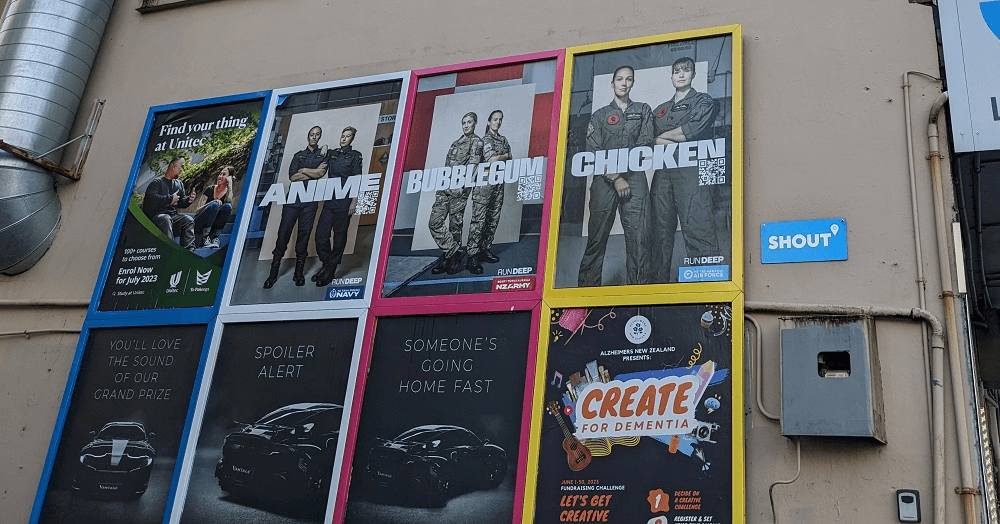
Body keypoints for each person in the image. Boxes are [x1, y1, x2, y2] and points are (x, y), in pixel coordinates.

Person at [577, 65, 654, 287]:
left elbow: (645, 142)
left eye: (628, 79)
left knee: (640, 241)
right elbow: (594, 150)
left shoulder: (643, 110)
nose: (624, 83)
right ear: (612, 83)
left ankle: (639, 298)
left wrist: (625, 175)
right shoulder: (599, 115)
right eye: (619, 79)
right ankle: (585, 297)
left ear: (632, 83)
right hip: (604, 182)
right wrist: (616, 177)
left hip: (635, 180)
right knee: (596, 240)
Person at [649, 57, 720, 283]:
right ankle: (655, 290)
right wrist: (661, 139)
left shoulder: (703, 101)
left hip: (692, 171)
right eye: (676, 71)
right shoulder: (660, 110)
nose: (681, 74)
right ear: (671, 76)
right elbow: (646, 139)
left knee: (698, 226)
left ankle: (706, 288)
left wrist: (661, 137)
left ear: (693, 75)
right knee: (658, 234)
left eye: (686, 70)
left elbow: (692, 130)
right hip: (663, 172)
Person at [263, 126, 328, 289]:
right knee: (283, 235)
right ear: (308, 136)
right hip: (292, 201)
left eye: (317, 135)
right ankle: (272, 275)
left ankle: (298, 274)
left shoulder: (323, 155)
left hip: (310, 202)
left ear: (320, 137)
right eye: (311, 134)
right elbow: (293, 176)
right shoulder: (298, 155)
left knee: (303, 237)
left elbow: (321, 174)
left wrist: (304, 170)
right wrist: (312, 172)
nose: (314, 137)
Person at [428, 112, 483, 275]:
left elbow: (474, 166)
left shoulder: (477, 142)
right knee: (434, 222)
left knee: (455, 225)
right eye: (464, 122)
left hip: (459, 188)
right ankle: (454, 251)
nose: (466, 125)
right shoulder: (455, 143)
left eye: (469, 122)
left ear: (475, 124)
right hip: (445, 187)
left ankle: (450, 260)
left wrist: (463, 186)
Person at [312, 126, 362, 287]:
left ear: (352, 139)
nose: (343, 138)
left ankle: (331, 269)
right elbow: (320, 163)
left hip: (344, 201)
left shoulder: (355, 156)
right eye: (342, 135)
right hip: (330, 200)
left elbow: (357, 180)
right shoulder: (333, 153)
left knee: (339, 235)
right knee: (321, 235)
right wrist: (324, 147)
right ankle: (327, 263)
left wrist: (354, 202)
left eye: (347, 136)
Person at [466, 110, 511, 274]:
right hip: (483, 187)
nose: (497, 122)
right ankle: (472, 256)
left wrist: (501, 156)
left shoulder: (502, 139)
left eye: (500, 119)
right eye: (495, 119)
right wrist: (502, 155)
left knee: (493, 219)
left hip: (498, 185)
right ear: (488, 121)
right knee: (478, 222)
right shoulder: (484, 140)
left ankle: (484, 249)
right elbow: (491, 159)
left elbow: (510, 156)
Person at [142, 156, 196, 251]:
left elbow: (181, 203)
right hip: (158, 217)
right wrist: (170, 199)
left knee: (188, 219)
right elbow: (150, 200)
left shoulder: (179, 184)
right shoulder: (156, 183)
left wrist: (188, 200)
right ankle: (170, 251)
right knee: (165, 218)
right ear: (174, 166)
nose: (182, 170)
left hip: (173, 217)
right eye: (181, 166)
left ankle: (190, 252)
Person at [192, 165, 236, 249]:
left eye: (223, 174)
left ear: (229, 178)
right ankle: (205, 238)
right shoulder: (210, 189)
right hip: (199, 223)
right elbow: (197, 211)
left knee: (227, 206)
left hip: (213, 226)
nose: (220, 176)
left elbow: (229, 201)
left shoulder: (227, 193)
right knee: (215, 205)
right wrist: (212, 203)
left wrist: (230, 184)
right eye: (220, 174)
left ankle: (215, 238)